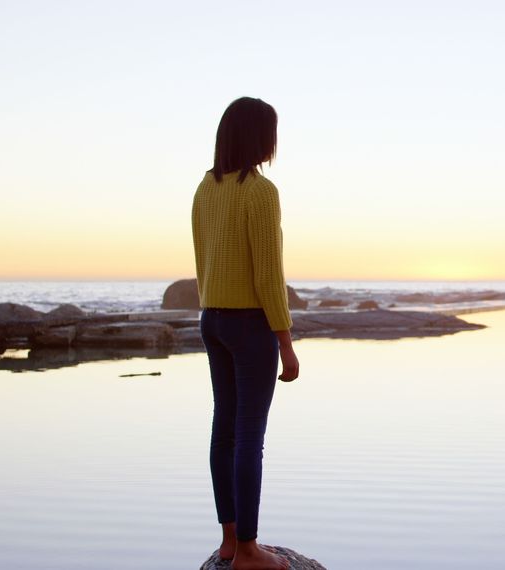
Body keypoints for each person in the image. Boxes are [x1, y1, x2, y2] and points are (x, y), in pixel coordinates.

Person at [192, 96, 299, 570]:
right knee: (249, 437)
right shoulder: (260, 191)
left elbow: (203, 260)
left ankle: (231, 541)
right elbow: (268, 278)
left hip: (212, 319)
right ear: (261, 138)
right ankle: (250, 552)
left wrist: (212, 308)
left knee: (225, 433)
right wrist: (286, 344)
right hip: (249, 324)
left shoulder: (205, 188)